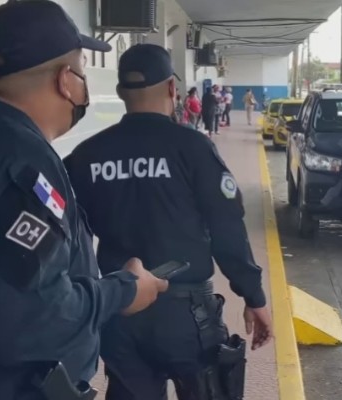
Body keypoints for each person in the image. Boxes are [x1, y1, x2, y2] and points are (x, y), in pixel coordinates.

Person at [0, 2, 167, 400]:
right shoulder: (18, 162)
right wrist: (123, 291)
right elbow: (31, 323)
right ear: (65, 80)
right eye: (83, 71)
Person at [64, 43, 273, 400]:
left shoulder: (86, 155)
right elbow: (226, 228)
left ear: (120, 92)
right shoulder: (192, 147)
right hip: (188, 316)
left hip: (121, 311)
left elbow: (67, 237)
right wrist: (253, 295)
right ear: (172, 88)